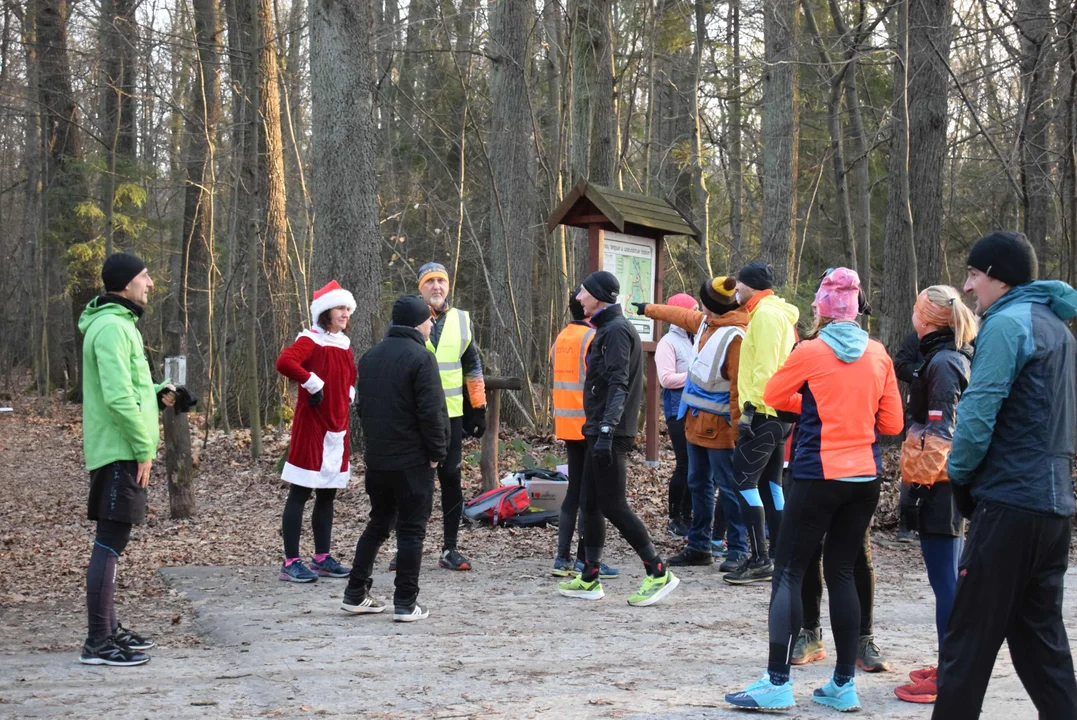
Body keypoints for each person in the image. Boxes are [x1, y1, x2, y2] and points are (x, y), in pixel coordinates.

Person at [726, 267, 903, 712]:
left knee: (788, 570)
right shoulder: (880, 355)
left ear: (822, 307)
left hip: (816, 473)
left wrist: (813, 406)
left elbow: (773, 395)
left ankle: (777, 683)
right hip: (864, 477)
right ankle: (843, 685)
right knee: (841, 571)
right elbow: (893, 425)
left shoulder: (810, 350)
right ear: (857, 307)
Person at [933, 231, 1077, 719]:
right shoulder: (1059, 328)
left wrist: (959, 477)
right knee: (1042, 648)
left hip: (1010, 506)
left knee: (966, 645)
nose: (969, 288)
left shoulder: (1007, 323)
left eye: (974, 275)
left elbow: (977, 412)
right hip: (1054, 510)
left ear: (998, 277)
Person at [79, 252, 188, 666]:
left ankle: (108, 629)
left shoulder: (120, 324)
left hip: (125, 447)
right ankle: (97, 642)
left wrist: (166, 391)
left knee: (114, 540)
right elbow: (118, 397)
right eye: (145, 276)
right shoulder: (110, 328)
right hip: (119, 450)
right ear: (125, 283)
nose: (151, 283)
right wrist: (145, 447)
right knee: (109, 542)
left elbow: (134, 387)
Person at [557, 271, 679, 606]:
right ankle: (590, 577)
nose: (578, 298)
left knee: (613, 504)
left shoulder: (614, 331)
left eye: (582, 292)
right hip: (598, 428)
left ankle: (658, 572)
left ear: (597, 296)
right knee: (591, 504)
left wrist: (607, 430)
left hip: (610, 432)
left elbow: (618, 384)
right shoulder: (606, 328)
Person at [791, 279, 890, 674]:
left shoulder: (874, 354)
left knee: (854, 557)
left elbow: (889, 417)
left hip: (850, 468)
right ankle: (809, 632)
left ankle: (863, 639)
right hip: (815, 463)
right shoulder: (807, 349)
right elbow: (781, 396)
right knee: (810, 551)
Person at [892, 285, 977, 704]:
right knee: (944, 579)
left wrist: (920, 487)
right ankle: (951, 662)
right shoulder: (940, 355)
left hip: (940, 485)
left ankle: (952, 675)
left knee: (946, 582)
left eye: (915, 309)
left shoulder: (944, 362)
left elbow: (943, 432)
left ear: (926, 318)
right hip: (937, 481)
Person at [342, 296, 450, 622]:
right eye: (430, 320)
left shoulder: (370, 357)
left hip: (378, 461)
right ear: (419, 323)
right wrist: (437, 454)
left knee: (378, 524)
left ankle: (355, 592)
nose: (433, 325)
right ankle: (406, 602)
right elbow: (431, 413)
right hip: (413, 462)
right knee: (411, 531)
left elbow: (362, 409)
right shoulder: (422, 357)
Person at [634, 277, 750, 570]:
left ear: (711, 307)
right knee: (699, 484)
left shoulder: (734, 336)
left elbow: (738, 387)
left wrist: (738, 430)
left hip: (722, 429)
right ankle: (699, 546)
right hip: (696, 422)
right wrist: (649, 308)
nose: (699, 309)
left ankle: (737, 548)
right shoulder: (707, 323)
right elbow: (680, 315)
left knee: (727, 487)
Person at [274, 281, 357, 583]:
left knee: (327, 494)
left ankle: (322, 557)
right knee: (300, 492)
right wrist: (312, 382)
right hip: (312, 429)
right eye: (339, 308)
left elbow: (350, 372)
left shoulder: (344, 343)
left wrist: (348, 390)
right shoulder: (310, 339)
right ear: (325, 311)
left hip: (337, 428)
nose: (345, 313)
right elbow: (285, 362)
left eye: (347, 308)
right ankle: (290, 561)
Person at [725, 261, 799, 584]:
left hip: (765, 412)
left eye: (738, 284)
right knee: (771, 486)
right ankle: (782, 555)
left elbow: (766, 369)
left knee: (743, 482)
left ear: (750, 285)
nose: (735, 290)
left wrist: (751, 409)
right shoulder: (771, 312)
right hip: (778, 414)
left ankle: (760, 558)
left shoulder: (766, 316)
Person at [411, 262, 487, 571]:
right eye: (430, 282)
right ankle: (409, 546)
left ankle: (449, 548)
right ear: (421, 288)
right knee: (415, 484)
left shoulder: (462, 320)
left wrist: (479, 408)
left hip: (452, 418)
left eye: (441, 281)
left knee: (451, 480)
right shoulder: (409, 318)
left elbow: (473, 365)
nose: (437, 287)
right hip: (415, 418)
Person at [550, 288, 618, 579]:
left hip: (566, 423)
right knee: (591, 495)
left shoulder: (562, 337)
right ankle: (584, 558)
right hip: (587, 423)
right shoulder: (592, 337)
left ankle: (561, 557)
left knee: (573, 493)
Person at [653, 292, 698, 539]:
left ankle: (690, 516)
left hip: (698, 409)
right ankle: (675, 517)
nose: (698, 315)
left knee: (697, 465)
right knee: (685, 464)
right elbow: (666, 379)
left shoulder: (696, 339)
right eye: (693, 311)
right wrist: (694, 375)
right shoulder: (667, 343)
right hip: (677, 411)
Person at [892, 329, 924, 543]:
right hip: (919, 410)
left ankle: (936, 524)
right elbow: (901, 365)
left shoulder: (964, 335)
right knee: (912, 465)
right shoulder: (917, 336)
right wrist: (924, 373)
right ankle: (907, 525)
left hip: (954, 410)